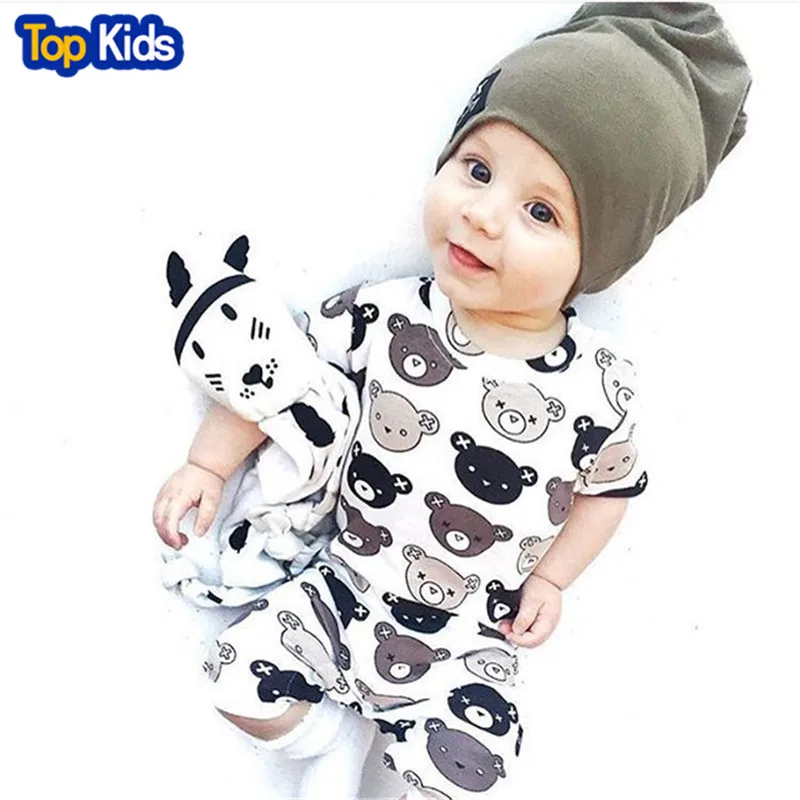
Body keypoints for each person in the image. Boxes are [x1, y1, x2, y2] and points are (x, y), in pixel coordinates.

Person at [152, 4, 751, 799]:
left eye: (541, 212)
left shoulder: (598, 387)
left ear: (598, 255)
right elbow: (281, 378)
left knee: (475, 773)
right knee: (235, 677)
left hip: (469, 637)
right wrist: (208, 464)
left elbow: (610, 491)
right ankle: (334, 741)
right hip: (345, 584)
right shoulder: (382, 315)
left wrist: (552, 581)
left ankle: (404, 764)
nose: (483, 213)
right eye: (476, 168)